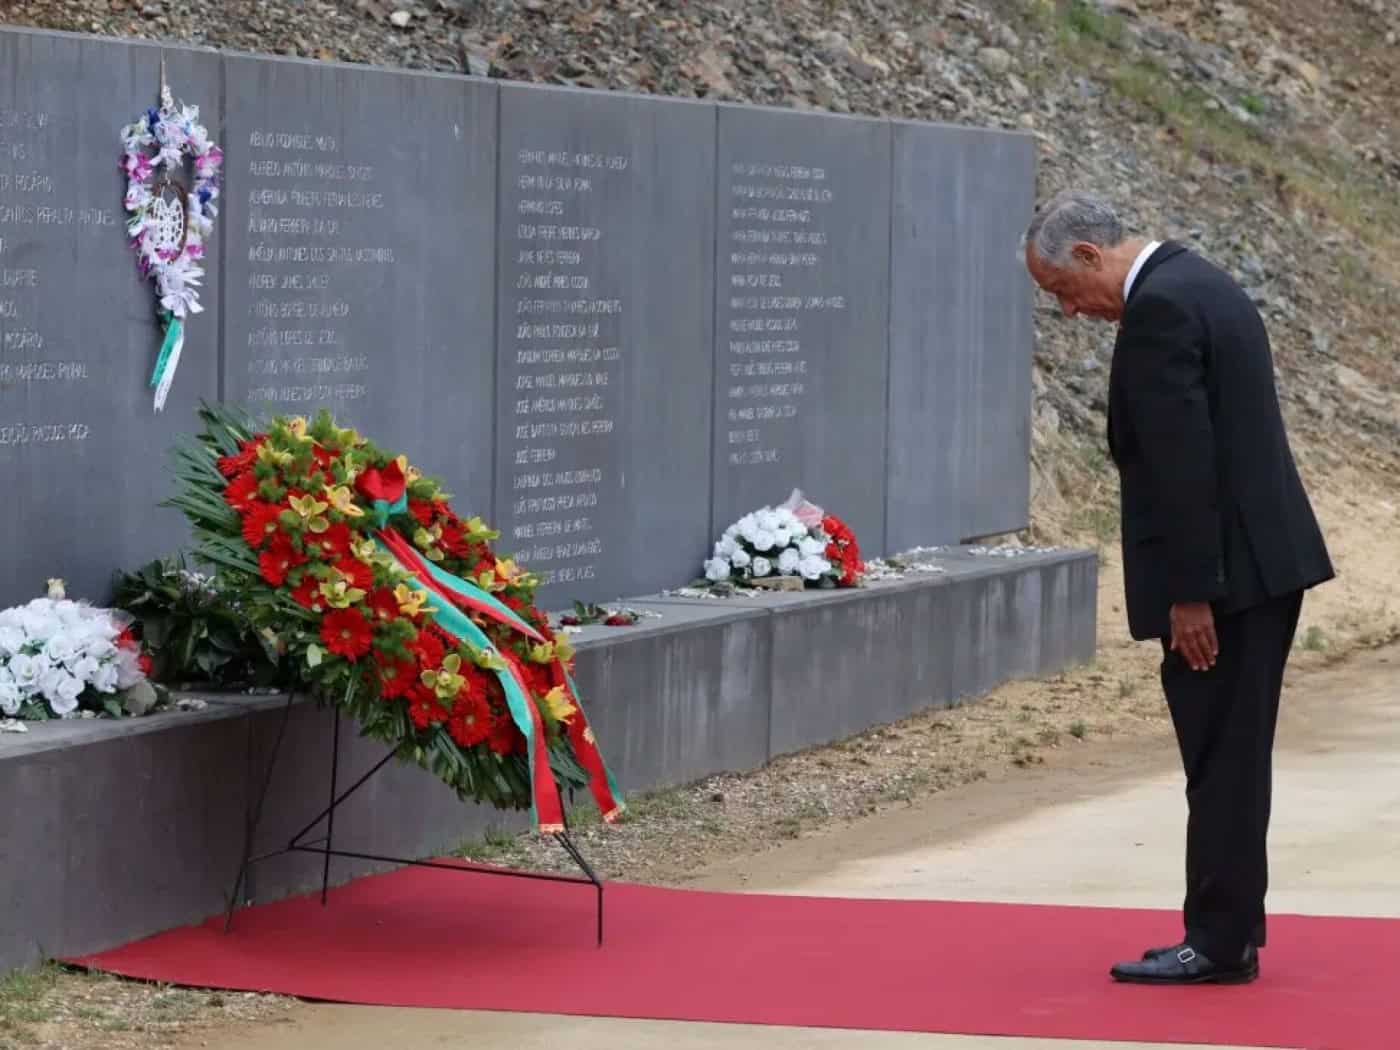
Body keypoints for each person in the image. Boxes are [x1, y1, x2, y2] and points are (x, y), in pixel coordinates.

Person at [1021, 190, 1335, 985]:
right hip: (1263, 564)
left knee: (1220, 759)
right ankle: (1232, 930)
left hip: (1225, 583)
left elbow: (1183, 463)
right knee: (1234, 755)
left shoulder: (1159, 311)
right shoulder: (1202, 281)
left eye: (1063, 291)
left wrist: (1193, 595)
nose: (1070, 312)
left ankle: (1219, 940)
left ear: (1089, 254)